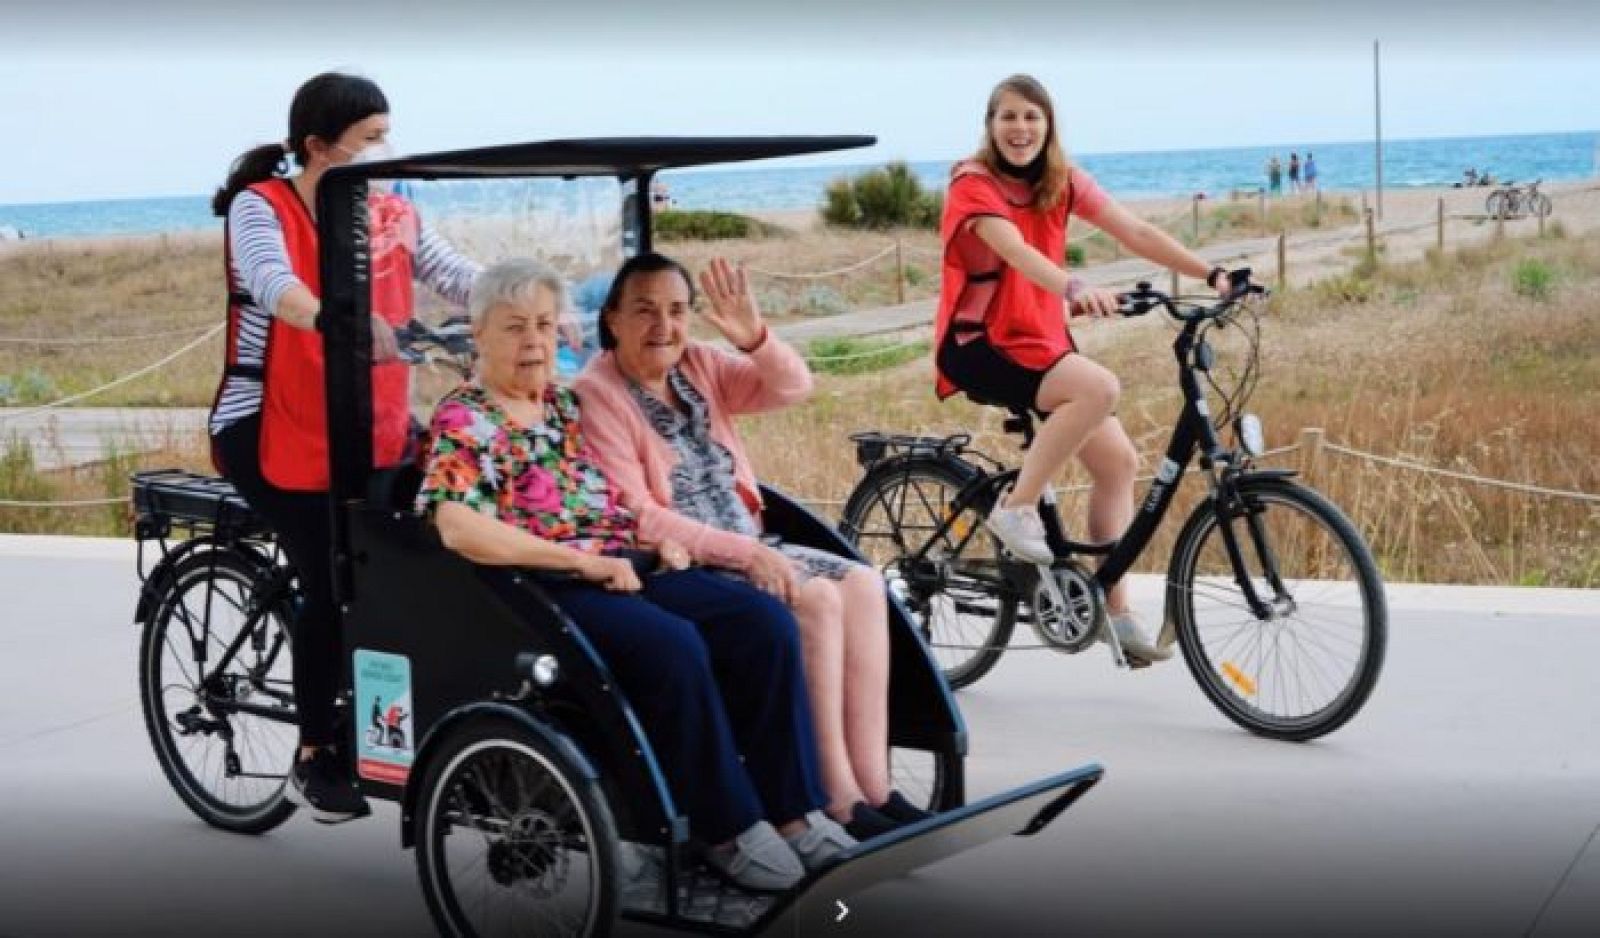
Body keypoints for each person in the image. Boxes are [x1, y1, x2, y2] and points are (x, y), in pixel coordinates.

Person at [417, 258, 855, 891]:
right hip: (548, 585)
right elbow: (459, 526)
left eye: (543, 324)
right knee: (671, 648)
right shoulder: (466, 419)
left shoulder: (561, 407)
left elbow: (616, 495)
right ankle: (725, 829)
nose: (534, 340)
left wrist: (660, 541)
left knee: (760, 622)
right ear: (478, 333)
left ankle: (792, 814)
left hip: (624, 564)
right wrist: (582, 561)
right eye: (515, 327)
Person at [575, 252, 932, 840]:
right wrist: (747, 555)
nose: (663, 327)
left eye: (676, 310)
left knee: (865, 584)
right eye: (644, 311)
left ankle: (875, 786)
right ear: (612, 318)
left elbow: (794, 386)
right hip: (684, 561)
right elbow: (640, 514)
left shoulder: (698, 366)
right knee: (814, 598)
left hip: (749, 538)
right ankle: (839, 797)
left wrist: (755, 338)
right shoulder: (600, 390)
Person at [207, 71, 482, 822]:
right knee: (331, 575)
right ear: (317, 149)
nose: (386, 152)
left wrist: (526, 299)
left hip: (366, 419)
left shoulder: (390, 210)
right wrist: (331, 317)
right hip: (264, 425)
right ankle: (316, 753)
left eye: (388, 135)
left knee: (427, 553)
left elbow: (453, 273)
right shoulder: (261, 208)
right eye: (371, 140)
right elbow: (270, 282)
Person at [933, 74, 1240, 664]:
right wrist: (1072, 285)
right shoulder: (971, 184)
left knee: (1119, 463)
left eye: (1032, 117)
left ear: (1048, 126)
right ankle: (1016, 509)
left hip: (1040, 339)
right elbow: (1016, 254)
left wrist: (1212, 275)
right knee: (1098, 388)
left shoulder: (1062, 180)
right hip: (981, 343)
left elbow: (1135, 230)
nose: (1020, 129)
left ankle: (1114, 611)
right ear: (990, 125)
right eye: (1008, 117)